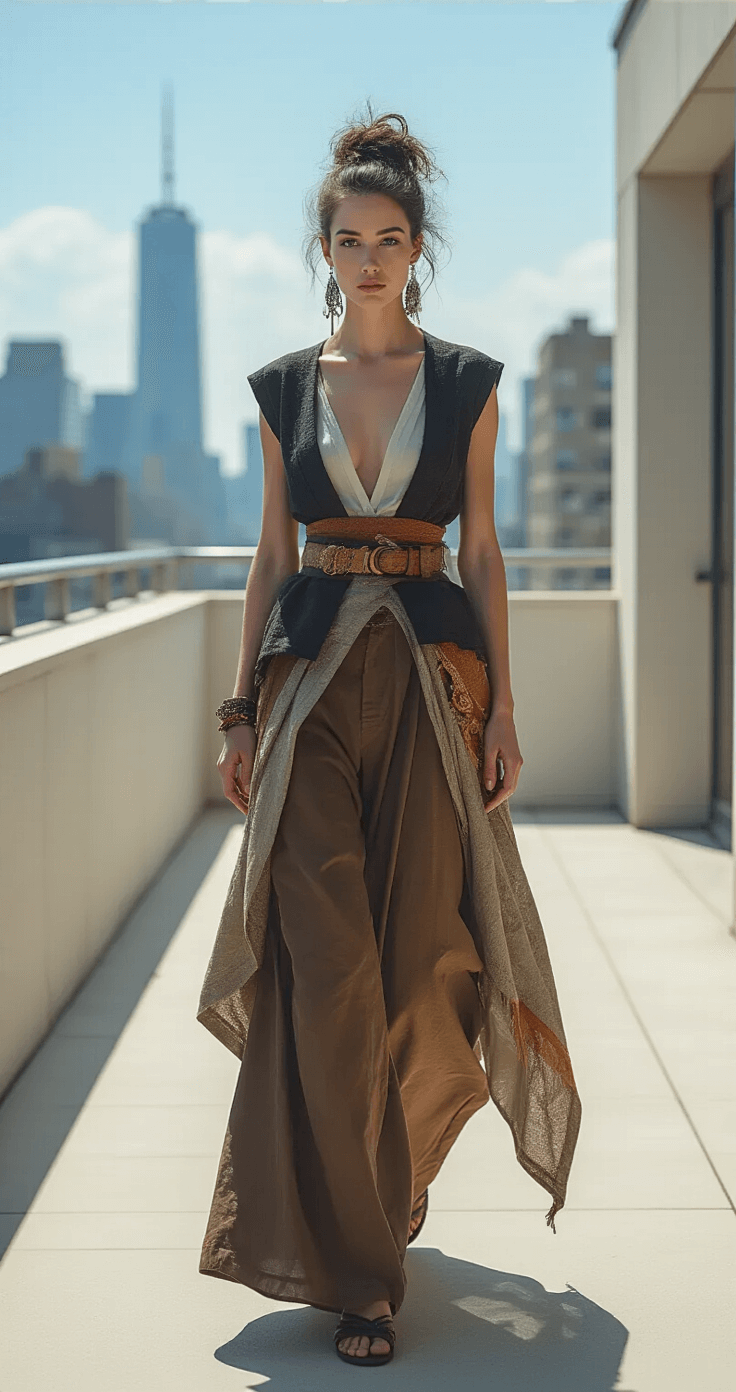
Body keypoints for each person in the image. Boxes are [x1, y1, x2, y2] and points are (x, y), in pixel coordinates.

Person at [197, 110, 581, 1368]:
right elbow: (270, 556)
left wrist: (506, 709)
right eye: (349, 240)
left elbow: (483, 549)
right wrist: (240, 710)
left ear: (418, 250)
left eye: (390, 240)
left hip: (429, 687)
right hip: (307, 693)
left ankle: (390, 1175)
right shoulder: (281, 389)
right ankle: (365, 1278)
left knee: (426, 966)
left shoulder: (465, 382)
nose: (369, 260)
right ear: (325, 250)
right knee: (328, 971)